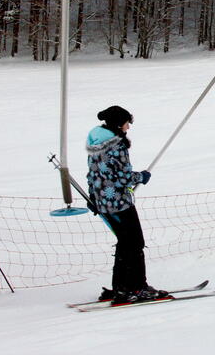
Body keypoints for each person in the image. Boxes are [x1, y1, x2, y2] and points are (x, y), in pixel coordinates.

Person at [86, 105, 167, 304]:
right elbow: (122, 177)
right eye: (127, 123)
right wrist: (141, 177)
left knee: (125, 244)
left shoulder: (96, 142)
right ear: (118, 124)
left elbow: (94, 173)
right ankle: (137, 287)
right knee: (135, 243)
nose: (128, 127)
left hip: (104, 200)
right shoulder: (116, 145)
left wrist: (93, 197)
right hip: (119, 203)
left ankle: (121, 287)